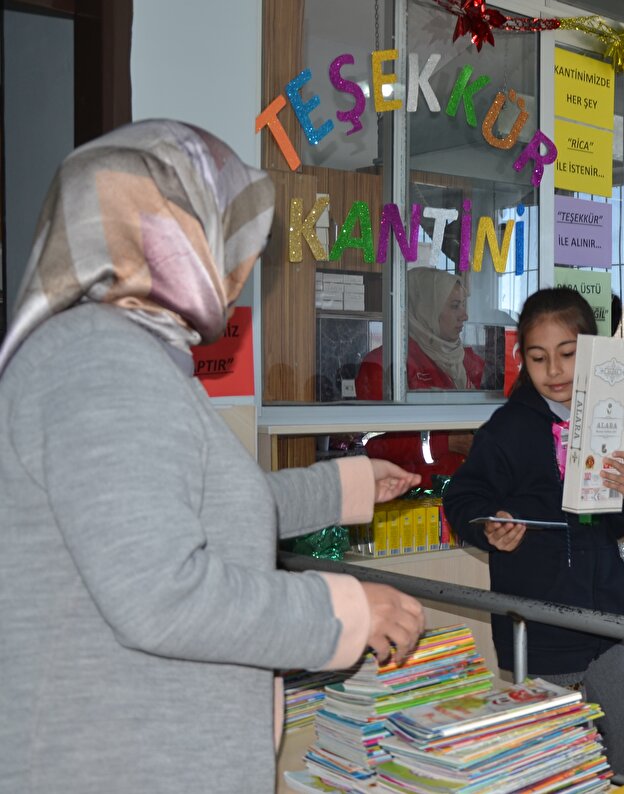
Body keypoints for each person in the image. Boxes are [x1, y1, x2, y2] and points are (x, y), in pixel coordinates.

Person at [0, 120, 427, 791]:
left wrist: (341, 488)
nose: (245, 267)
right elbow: (161, 593)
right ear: (166, 237)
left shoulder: (129, 354)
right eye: (230, 238)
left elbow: (185, 508)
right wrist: (340, 612)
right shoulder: (99, 359)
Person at [442, 288, 624, 778]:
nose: (554, 371)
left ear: (592, 352)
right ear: (522, 359)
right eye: (538, 358)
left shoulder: (605, 420)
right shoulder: (507, 429)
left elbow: (618, 521)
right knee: (553, 756)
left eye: (568, 354)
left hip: (604, 619)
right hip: (539, 624)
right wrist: (489, 524)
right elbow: (462, 498)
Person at [357, 267, 484, 487]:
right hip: (410, 503)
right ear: (425, 309)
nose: (465, 315)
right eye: (455, 306)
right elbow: (372, 443)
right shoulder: (385, 364)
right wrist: (445, 443)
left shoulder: (467, 363)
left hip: (463, 495)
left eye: (463, 305)